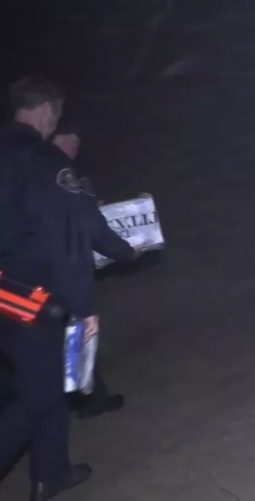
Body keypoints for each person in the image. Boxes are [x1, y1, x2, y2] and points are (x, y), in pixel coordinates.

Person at [0, 76, 132, 500]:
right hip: (33, 296)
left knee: (48, 380)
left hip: (3, 293)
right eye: (54, 114)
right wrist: (85, 300)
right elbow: (75, 231)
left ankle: (51, 471)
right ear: (47, 111)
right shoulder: (40, 160)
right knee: (39, 395)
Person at [49, 117, 134, 420]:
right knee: (74, 334)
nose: (76, 146)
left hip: (37, 273)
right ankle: (81, 400)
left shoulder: (34, 172)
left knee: (76, 335)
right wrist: (123, 250)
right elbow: (90, 225)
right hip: (65, 274)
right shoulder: (62, 174)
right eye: (71, 139)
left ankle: (91, 397)